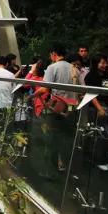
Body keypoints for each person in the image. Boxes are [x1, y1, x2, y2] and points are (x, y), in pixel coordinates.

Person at [33, 45, 79, 174]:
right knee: (67, 139)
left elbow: (44, 88)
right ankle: (66, 165)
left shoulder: (52, 68)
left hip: (57, 109)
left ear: (54, 54)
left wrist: (32, 96)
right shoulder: (75, 69)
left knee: (53, 139)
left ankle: (51, 169)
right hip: (72, 109)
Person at [84, 53, 108, 171]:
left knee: (107, 134)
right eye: (102, 63)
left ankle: (104, 157)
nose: (104, 65)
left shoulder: (107, 75)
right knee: (99, 134)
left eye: (105, 62)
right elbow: (91, 94)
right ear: (96, 63)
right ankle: (97, 159)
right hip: (97, 108)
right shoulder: (91, 76)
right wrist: (99, 108)